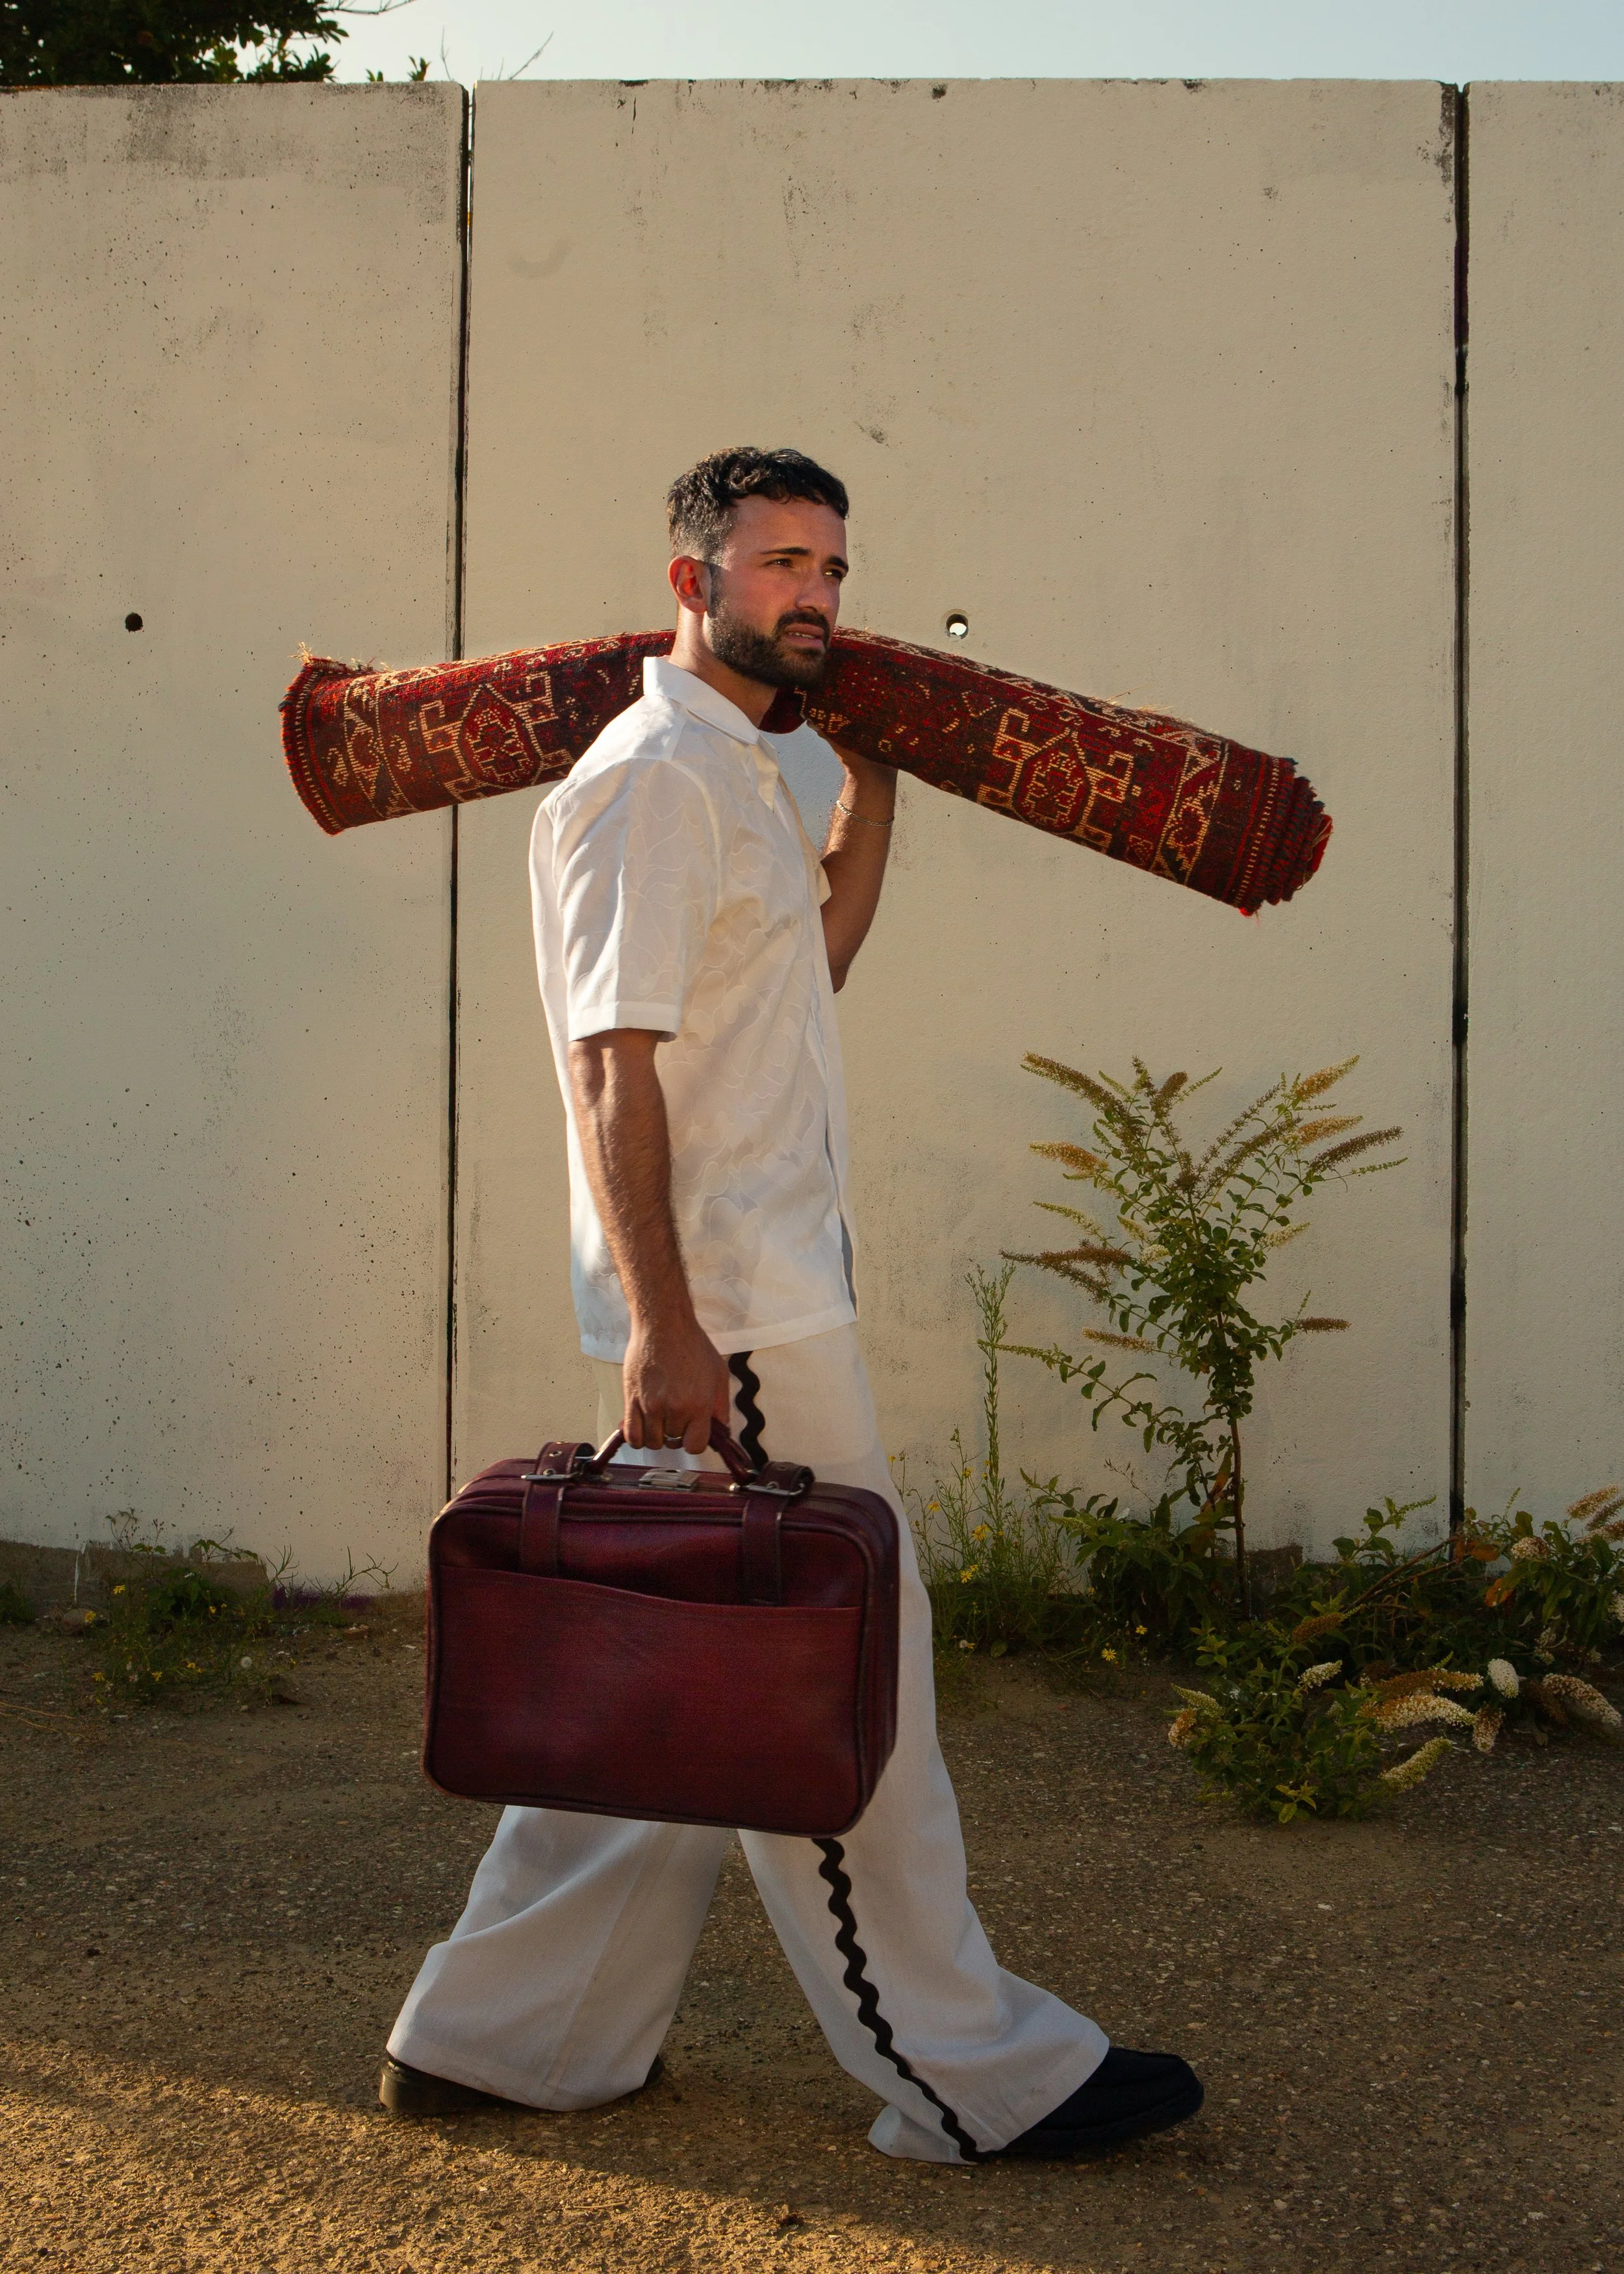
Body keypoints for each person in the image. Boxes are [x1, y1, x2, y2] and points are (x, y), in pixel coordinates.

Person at [379, 446, 1203, 2162]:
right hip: (733, 1311)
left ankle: (503, 2036)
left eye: (829, 562)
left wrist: (871, 803)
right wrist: (669, 1331)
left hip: (759, 1289)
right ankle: (970, 2070)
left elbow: (795, 977)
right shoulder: (649, 780)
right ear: (691, 581)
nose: (812, 591)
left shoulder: (743, 769)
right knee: (839, 1668)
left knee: (683, 1669)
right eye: (774, 563)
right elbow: (610, 1065)